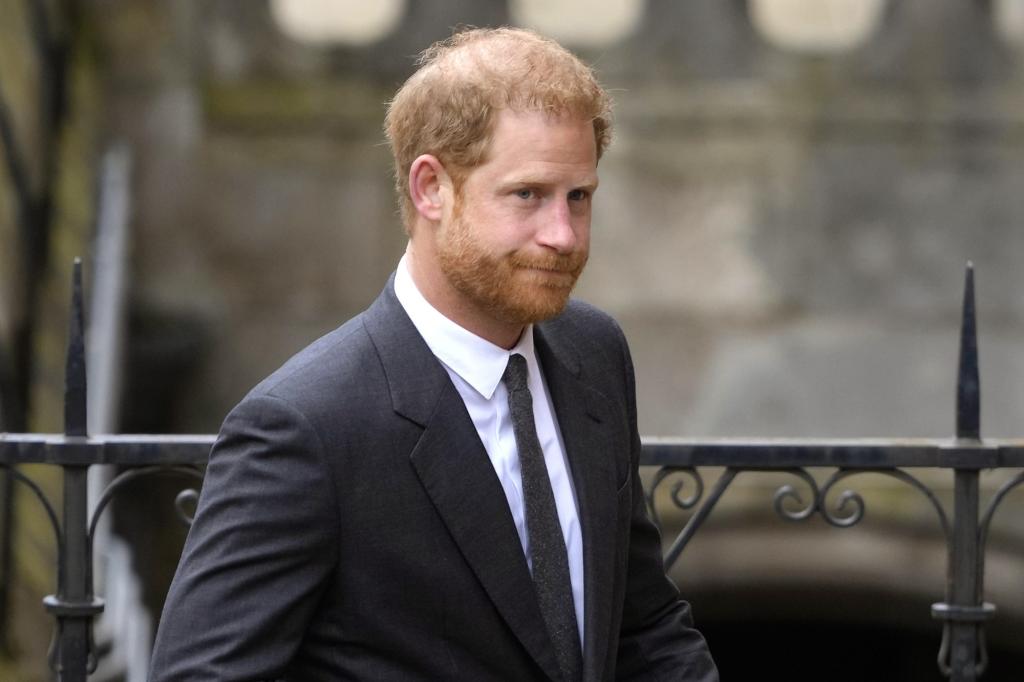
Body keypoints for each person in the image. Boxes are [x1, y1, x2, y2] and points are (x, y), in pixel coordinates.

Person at [150, 27, 717, 682]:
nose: (563, 235)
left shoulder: (594, 353)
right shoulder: (305, 426)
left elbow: (642, 627)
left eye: (579, 197)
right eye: (527, 194)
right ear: (430, 189)